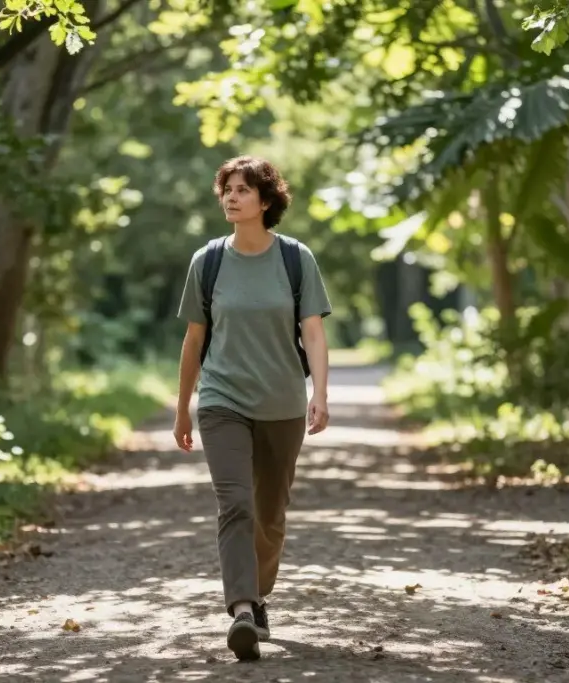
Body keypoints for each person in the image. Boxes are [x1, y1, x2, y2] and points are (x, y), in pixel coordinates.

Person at [173, 155, 332, 661]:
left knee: (269, 516)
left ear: (266, 201)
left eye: (243, 189)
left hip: (281, 404)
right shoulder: (208, 261)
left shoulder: (295, 259)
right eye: (227, 189)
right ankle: (242, 609)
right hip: (222, 401)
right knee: (236, 504)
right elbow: (194, 340)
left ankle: (258, 594)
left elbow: (313, 331)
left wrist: (320, 393)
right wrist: (183, 407)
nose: (232, 197)